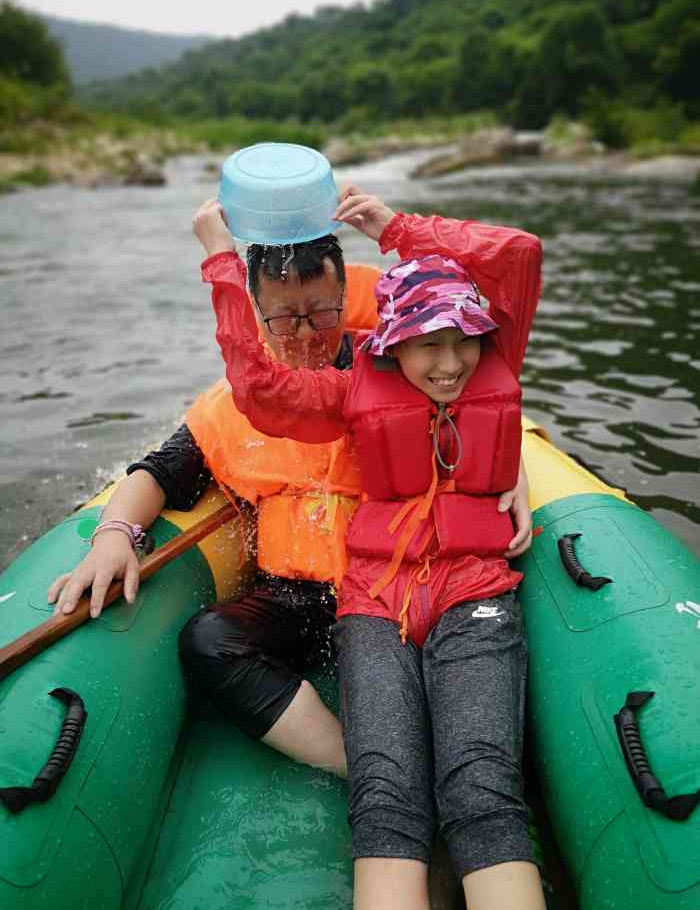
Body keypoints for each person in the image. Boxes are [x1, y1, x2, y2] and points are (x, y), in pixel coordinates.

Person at [47, 190, 534, 788]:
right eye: (284, 318)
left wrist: (517, 474)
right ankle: (363, 769)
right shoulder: (234, 406)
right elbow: (159, 472)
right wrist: (114, 536)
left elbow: (479, 419)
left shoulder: (395, 369)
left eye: (323, 313)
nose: (306, 334)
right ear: (256, 309)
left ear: (343, 300)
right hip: (301, 599)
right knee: (210, 640)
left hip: (400, 583)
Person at [194, 185, 545, 910]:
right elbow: (257, 387)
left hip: (473, 588)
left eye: (463, 340)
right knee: (384, 794)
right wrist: (222, 261)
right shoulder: (355, 389)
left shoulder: (498, 358)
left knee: (481, 787)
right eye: (428, 342)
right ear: (392, 342)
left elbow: (518, 256)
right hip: (375, 601)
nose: (450, 364)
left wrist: (398, 229)